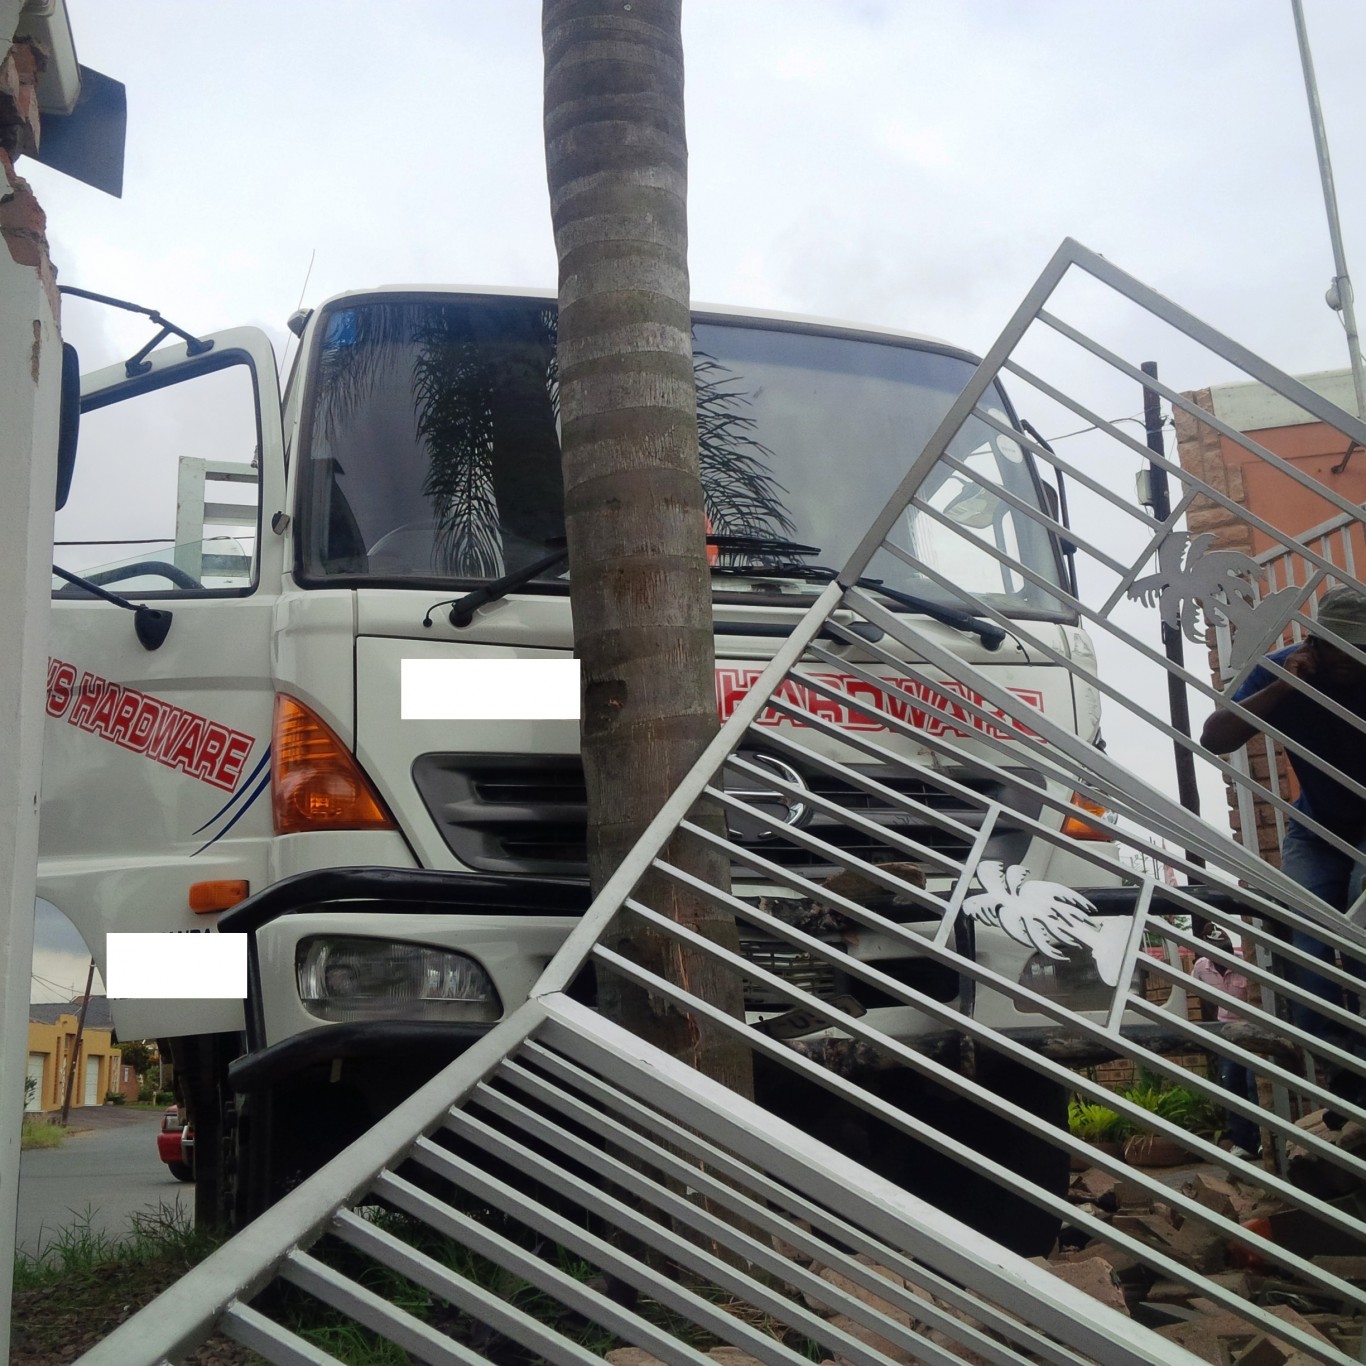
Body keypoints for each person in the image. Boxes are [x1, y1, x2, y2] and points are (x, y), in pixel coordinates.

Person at [1200, 585, 1366, 1054]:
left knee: (1361, 911)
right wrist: (1285, 687)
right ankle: (1337, 1060)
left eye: (1360, 646)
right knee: (1303, 931)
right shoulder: (1288, 668)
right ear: (1314, 642)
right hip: (1318, 822)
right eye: (1338, 645)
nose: (1350, 657)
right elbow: (1216, 737)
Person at [1191, 928, 1259, 1158]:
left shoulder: (1244, 965)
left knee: (1254, 1084)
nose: (1223, 955)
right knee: (1231, 1085)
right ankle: (1242, 1142)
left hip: (1250, 1031)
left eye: (1227, 950)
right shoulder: (1202, 967)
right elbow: (1199, 992)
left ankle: (1262, 1139)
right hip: (1226, 1033)